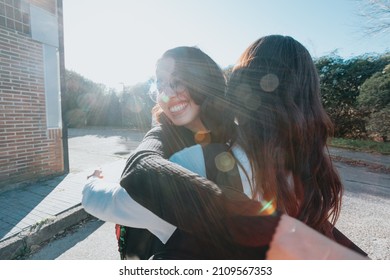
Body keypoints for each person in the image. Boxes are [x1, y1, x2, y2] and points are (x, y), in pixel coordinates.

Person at [118, 35, 368, 258]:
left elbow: (119, 202)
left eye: (181, 81)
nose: (169, 93)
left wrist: (95, 182)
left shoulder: (204, 160)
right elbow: (319, 232)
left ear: (241, 86)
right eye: (161, 84)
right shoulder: (310, 167)